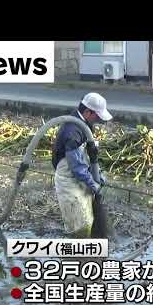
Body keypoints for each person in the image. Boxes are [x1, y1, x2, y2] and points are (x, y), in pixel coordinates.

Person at [52, 92, 112, 238]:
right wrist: (94, 184)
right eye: (97, 116)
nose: (98, 120)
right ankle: (76, 254)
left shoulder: (85, 124)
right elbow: (77, 167)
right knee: (79, 224)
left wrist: (98, 174)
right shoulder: (72, 131)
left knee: (87, 218)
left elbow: (85, 158)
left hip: (80, 178)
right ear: (87, 112)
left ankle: (87, 248)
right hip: (69, 181)